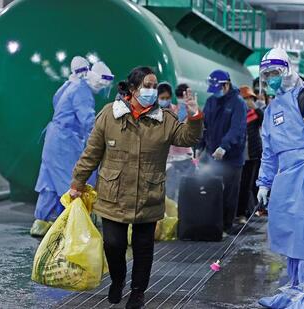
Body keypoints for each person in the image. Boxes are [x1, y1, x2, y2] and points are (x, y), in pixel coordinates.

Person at [68, 66, 203, 309]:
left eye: (154, 86)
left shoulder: (165, 120)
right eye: (147, 86)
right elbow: (91, 154)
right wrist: (78, 183)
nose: (152, 91)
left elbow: (188, 138)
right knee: (113, 244)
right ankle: (117, 280)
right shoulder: (109, 115)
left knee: (143, 249)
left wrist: (193, 116)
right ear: (132, 89)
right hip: (113, 195)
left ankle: (138, 292)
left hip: (148, 197)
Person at [256, 47, 304, 308]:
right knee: (289, 231)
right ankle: (294, 288)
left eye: (276, 72)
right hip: (284, 177)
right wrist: (264, 182)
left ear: (287, 69)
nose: (271, 78)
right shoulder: (272, 107)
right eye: (267, 75)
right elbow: (268, 149)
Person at [30, 61, 114, 237]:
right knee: (72, 181)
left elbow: (56, 103)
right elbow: (88, 120)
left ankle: (41, 222)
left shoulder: (69, 85)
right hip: (65, 141)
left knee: (50, 182)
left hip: (53, 138)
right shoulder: (82, 91)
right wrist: (102, 140)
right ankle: (73, 223)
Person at [197, 69, 247, 234]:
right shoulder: (211, 101)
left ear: (226, 85)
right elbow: (205, 127)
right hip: (213, 155)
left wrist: (224, 146)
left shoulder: (238, 103)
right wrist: (200, 146)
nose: (216, 92)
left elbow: (237, 129)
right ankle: (212, 223)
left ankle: (226, 226)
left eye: (218, 88)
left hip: (232, 158)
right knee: (212, 191)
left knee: (230, 194)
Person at [158, 82, 195, 201]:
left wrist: (188, 111)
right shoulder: (154, 113)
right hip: (167, 160)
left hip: (184, 157)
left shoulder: (177, 109)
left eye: (167, 98)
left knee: (186, 192)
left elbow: (188, 126)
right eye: (162, 98)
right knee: (169, 192)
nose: (165, 100)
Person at [236, 85, 263, 224]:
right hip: (239, 155)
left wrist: (256, 108)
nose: (247, 101)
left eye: (249, 98)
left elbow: (263, 120)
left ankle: (246, 212)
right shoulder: (236, 114)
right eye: (245, 98)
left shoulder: (255, 114)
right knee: (239, 185)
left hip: (253, 154)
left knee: (250, 185)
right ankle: (239, 212)